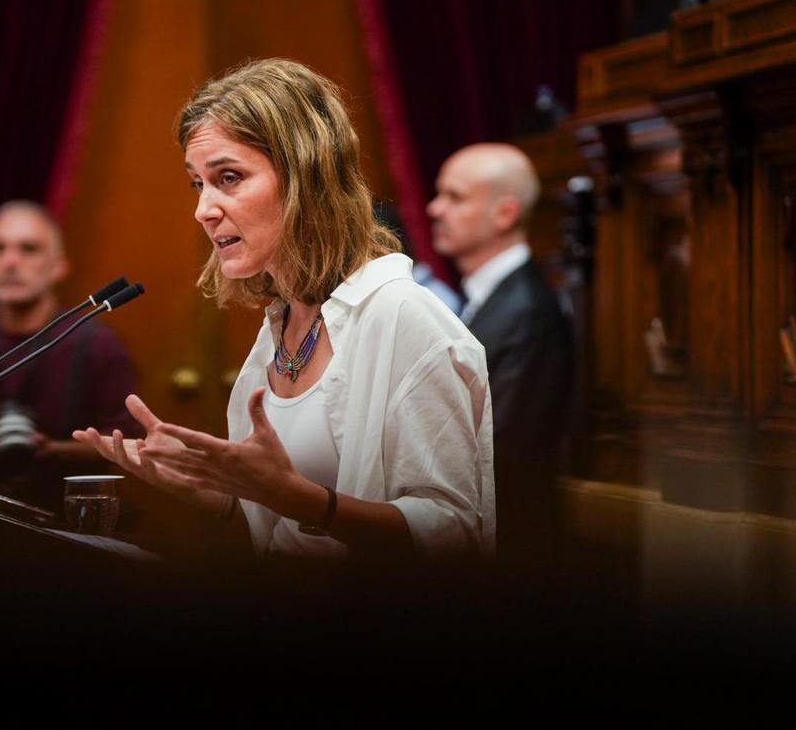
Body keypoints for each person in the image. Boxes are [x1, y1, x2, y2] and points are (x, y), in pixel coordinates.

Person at [74, 59, 494, 560]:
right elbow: (283, 529)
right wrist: (212, 491)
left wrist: (305, 502)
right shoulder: (281, 324)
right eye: (198, 184)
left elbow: (456, 535)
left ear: (305, 179)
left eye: (228, 177)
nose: (203, 208)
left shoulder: (405, 317)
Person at [0, 200, 138, 504]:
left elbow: (129, 445)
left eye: (29, 249)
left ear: (58, 266)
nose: (10, 262)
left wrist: (51, 450)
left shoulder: (99, 345)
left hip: (63, 519)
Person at [426, 143, 574, 559]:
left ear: (505, 213)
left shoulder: (528, 310)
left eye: (454, 197)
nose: (435, 209)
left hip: (507, 550)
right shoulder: (493, 298)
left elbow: (502, 452)